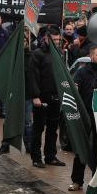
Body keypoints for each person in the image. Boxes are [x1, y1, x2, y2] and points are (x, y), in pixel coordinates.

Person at [70, 46, 97, 191]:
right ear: (91, 56)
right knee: (81, 148)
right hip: (85, 115)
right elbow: (74, 89)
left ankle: (96, 180)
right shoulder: (82, 72)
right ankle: (77, 181)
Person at [27, 35, 65, 168]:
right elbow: (32, 76)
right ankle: (36, 158)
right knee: (38, 128)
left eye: (58, 40)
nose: (56, 42)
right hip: (42, 97)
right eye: (53, 39)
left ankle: (50, 156)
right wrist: (35, 95)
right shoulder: (37, 54)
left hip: (56, 96)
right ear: (46, 39)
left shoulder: (59, 53)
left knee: (53, 128)